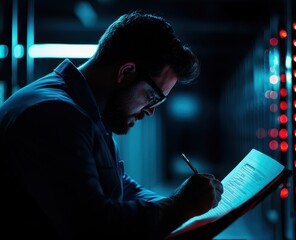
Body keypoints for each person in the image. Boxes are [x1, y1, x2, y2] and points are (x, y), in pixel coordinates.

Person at [0, 10, 223, 239]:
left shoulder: (88, 114)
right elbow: (94, 227)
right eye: (153, 97)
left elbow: (120, 187)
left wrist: (185, 203)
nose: (151, 111)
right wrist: (179, 206)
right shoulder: (54, 115)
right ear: (125, 72)